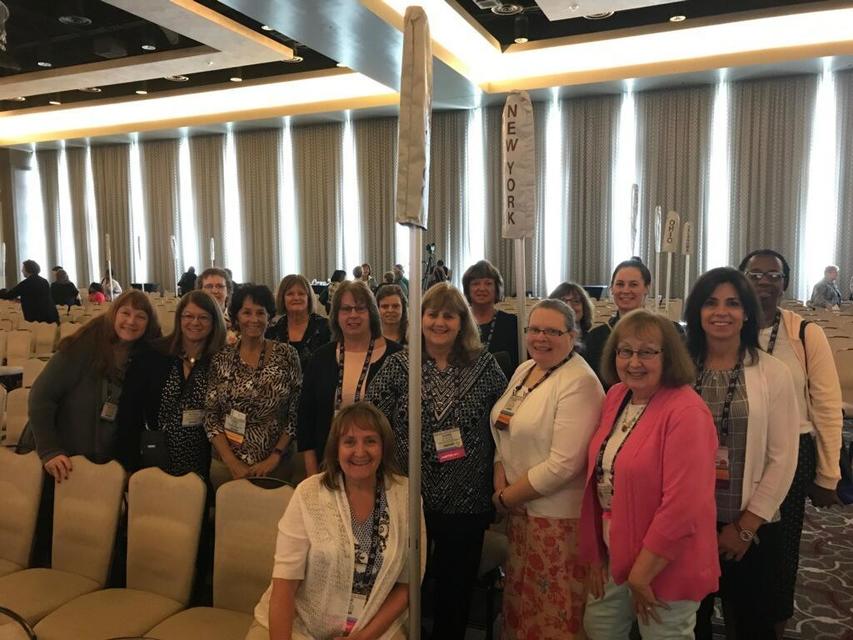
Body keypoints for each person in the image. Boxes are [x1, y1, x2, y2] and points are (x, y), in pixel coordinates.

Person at [367, 283, 507, 640]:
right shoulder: (400, 365)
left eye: (449, 315)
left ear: (462, 322)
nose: (439, 322)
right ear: (420, 319)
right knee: (403, 582)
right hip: (409, 496)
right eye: (432, 314)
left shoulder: (484, 365)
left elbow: (505, 424)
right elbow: (373, 421)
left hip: (468, 499)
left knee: (456, 588)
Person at [579, 309, 719, 639]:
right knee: (598, 629)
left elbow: (684, 506)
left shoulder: (687, 411)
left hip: (666, 560)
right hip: (615, 548)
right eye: (625, 351)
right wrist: (595, 552)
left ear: (668, 356)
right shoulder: (617, 396)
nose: (634, 362)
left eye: (647, 352)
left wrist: (642, 574)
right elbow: (601, 476)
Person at [684, 268, 800, 640]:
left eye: (732, 303)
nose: (721, 312)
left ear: (747, 312)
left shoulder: (773, 373)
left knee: (752, 625)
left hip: (751, 527)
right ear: (697, 312)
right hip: (686, 527)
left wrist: (746, 527)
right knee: (689, 625)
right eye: (711, 303)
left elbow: (783, 458)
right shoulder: (679, 370)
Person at [248, 402, 425, 640]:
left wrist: (361, 638)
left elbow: (407, 585)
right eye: (349, 442)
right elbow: (284, 587)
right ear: (336, 449)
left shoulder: (407, 496)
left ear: (384, 447)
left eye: (370, 441)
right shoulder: (308, 494)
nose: (360, 451)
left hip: (371, 630)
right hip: (299, 627)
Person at [739, 249, 843, 636]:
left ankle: (774, 624)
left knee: (779, 550)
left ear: (784, 283)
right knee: (735, 543)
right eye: (754, 275)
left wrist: (828, 473)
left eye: (773, 275)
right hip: (736, 451)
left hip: (792, 453)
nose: (763, 282)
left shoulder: (804, 333)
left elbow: (827, 406)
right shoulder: (729, 325)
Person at [490, 299, 604, 639]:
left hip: (556, 520)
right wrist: (500, 472)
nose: (541, 338)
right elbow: (503, 427)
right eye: (535, 329)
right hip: (521, 513)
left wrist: (506, 497)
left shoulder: (579, 382)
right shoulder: (527, 369)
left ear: (572, 336)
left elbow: (564, 464)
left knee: (552, 613)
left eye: (552, 331)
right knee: (522, 608)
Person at [19, 290, 162, 475]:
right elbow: (41, 397)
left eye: (140, 316)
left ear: (148, 324)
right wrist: (49, 450)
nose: (131, 321)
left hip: (103, 465)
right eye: (125, 313)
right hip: (61, 460)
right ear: (114, 314)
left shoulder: (144, 358)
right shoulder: (80, 347)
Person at [297, 280, 403, 477]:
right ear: (336, 315)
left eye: (360, 308)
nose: (353, 315)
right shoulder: (321, 358)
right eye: (346, 309)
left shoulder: (397, 357)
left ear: (372, 313)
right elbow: (306, 418)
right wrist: (313, 474)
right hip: (328, 465)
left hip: (382, 468)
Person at [119, 290, 227, 477]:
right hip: (154, 457)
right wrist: (127, 461)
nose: (195, 322)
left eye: (203, 317)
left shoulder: (219, 361)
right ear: (179, 319)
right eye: (188, 316)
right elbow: (129, 411)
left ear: (214, 322)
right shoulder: (153, 355)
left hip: (200, 461)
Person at [204, 284, 301, 485]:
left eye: (260, 313)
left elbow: (296, 412)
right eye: (247, 312)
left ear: (269, 317)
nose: (254, 319)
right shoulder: (221, 358)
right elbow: (211, 416)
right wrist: (232, 462)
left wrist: (275, 456)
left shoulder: (287, 355)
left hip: (275, 465)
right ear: (236, 317)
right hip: (225, 465)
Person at [585, 259, 682, 386]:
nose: (626, 290)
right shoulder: (596, 337)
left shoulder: (669, 331)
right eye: (620, 284)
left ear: (647, 288)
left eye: (633, 285)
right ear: (612, 289)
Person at [462, 259, 518, 378]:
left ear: (496, 288)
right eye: (476, 283)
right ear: (468, 289)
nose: (482, 288)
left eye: (488, 283)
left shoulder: (512, 323)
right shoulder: (458, 322)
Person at [266, 274, 331, 370]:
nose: (296, 298)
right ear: (282, 298)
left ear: (308, 298)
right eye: (290, 294)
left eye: (301, 294)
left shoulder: (326, 328)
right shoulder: (272, 332)